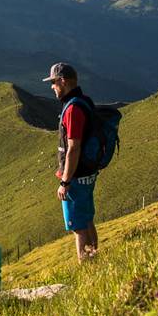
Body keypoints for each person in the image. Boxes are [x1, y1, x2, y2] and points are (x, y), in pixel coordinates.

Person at [46, 62, 100, 261]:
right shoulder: (84, 101)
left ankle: (86, 266)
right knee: (86, 219)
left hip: (76, 175)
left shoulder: (73, 109)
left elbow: (73, 147)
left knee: (78, 225)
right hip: (87, 171)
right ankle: (95, 257)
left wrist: (65, 181)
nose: (52, 87)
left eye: (53, 82)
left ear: (63, 81)